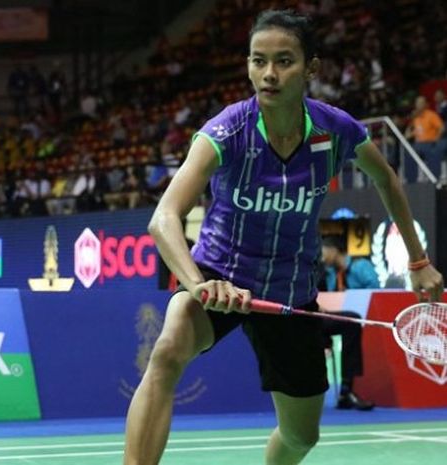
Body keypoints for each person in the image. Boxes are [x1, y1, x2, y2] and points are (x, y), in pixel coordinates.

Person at [123, 10, 443, 465]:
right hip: (219, 274)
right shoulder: (226, 132)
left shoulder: (335, 131)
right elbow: (163, 218)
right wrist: (197, 282)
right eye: (258, 61)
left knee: (301, 435)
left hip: (289, 291)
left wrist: (418, 261)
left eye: (284, 61)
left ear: (311, 68)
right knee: (169, 348)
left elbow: (388, 180)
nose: (269, 74)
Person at [319, 236, 377, 411]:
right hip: (324, 315)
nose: (321, 257)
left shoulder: (361, 266)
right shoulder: (328, 273)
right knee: (347, 321)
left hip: (366, 313)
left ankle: (346, 390)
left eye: (323, 252)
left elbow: (375, 288)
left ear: (333, 250)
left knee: (351, 321)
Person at [404, 95, 444, 183]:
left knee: (433, 152)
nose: (419, 105)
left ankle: (434, 181)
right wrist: (411, 121)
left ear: (425, 104)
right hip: (417, 145)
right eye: (417, 103)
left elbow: (441, 128)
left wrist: (436, 139)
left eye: (421, 103)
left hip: (430, 143)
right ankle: (411, 182)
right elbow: (407, 135)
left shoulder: (431, 115)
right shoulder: (415, 119)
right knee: (408, 153)